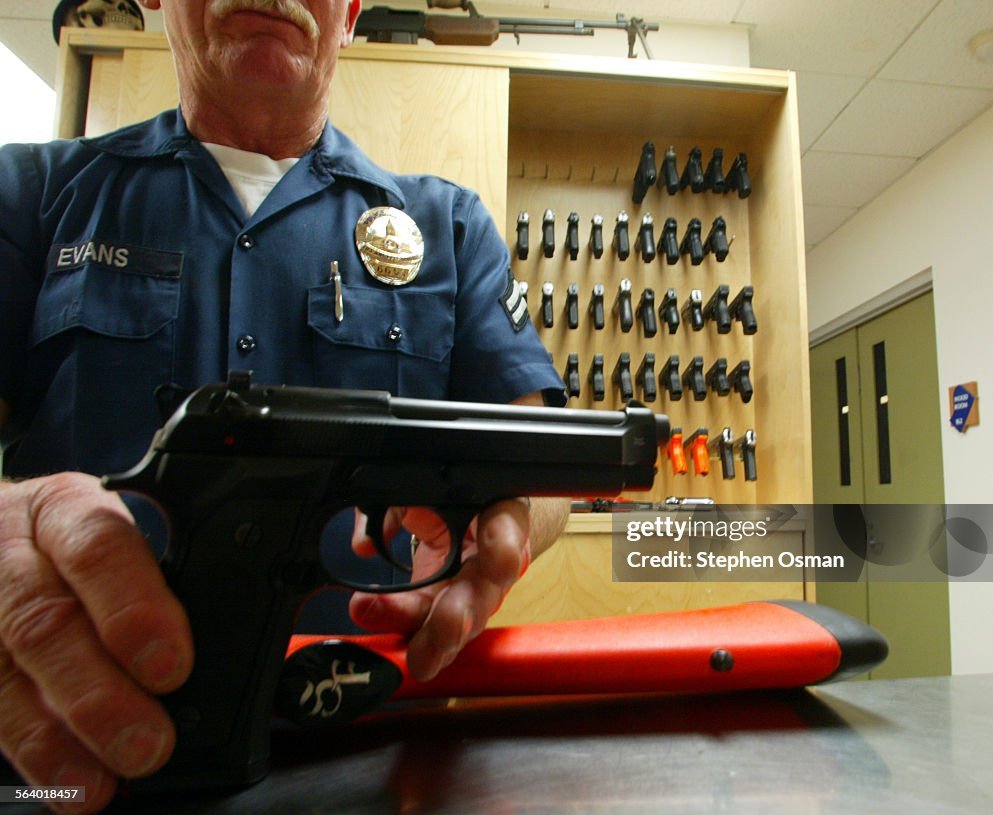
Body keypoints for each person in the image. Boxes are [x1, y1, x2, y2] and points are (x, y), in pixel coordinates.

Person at [0, 0, 568, 810]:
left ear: (351, 12)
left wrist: (503, 520)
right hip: (68, 754)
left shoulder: (448, 228)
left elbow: (542, 458)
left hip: (366, 749)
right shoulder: (29, 197)